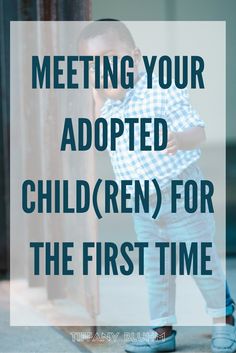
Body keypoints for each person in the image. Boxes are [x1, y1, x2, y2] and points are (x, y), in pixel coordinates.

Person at [78, 19, 236, 353]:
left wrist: (179, 138)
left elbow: (199, 131)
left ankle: (225, 320)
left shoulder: (161, 90)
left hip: (179, 194)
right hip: (142, 206)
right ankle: (163, 332)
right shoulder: (107, 107)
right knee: (156, 272)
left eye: (110, 57)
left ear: (134, 57)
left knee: (201, 263)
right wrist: (96, 99)